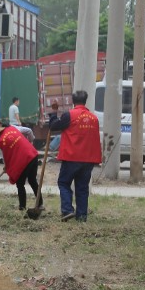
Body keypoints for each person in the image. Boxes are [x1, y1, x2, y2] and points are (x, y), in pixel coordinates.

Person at [49, 90, 101, 222]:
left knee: (63, 182)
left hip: (72, 157)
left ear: (73, 101)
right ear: (85, 101)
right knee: (82, 188)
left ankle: (67, 210)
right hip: (88, 159)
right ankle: (82, 216)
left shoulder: (69, 115)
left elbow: (53, 126)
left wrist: (54, 112)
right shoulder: (94, 118)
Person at [0, 119, 41, 211]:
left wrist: (7, 166)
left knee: (20, 184)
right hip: (33, 155)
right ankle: (40, 204)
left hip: (24, 159)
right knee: (32, 180)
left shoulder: (1, 141)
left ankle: (22, 208)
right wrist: (30, 143)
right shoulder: (13, 128)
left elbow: (6, 156)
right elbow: (28, 131)